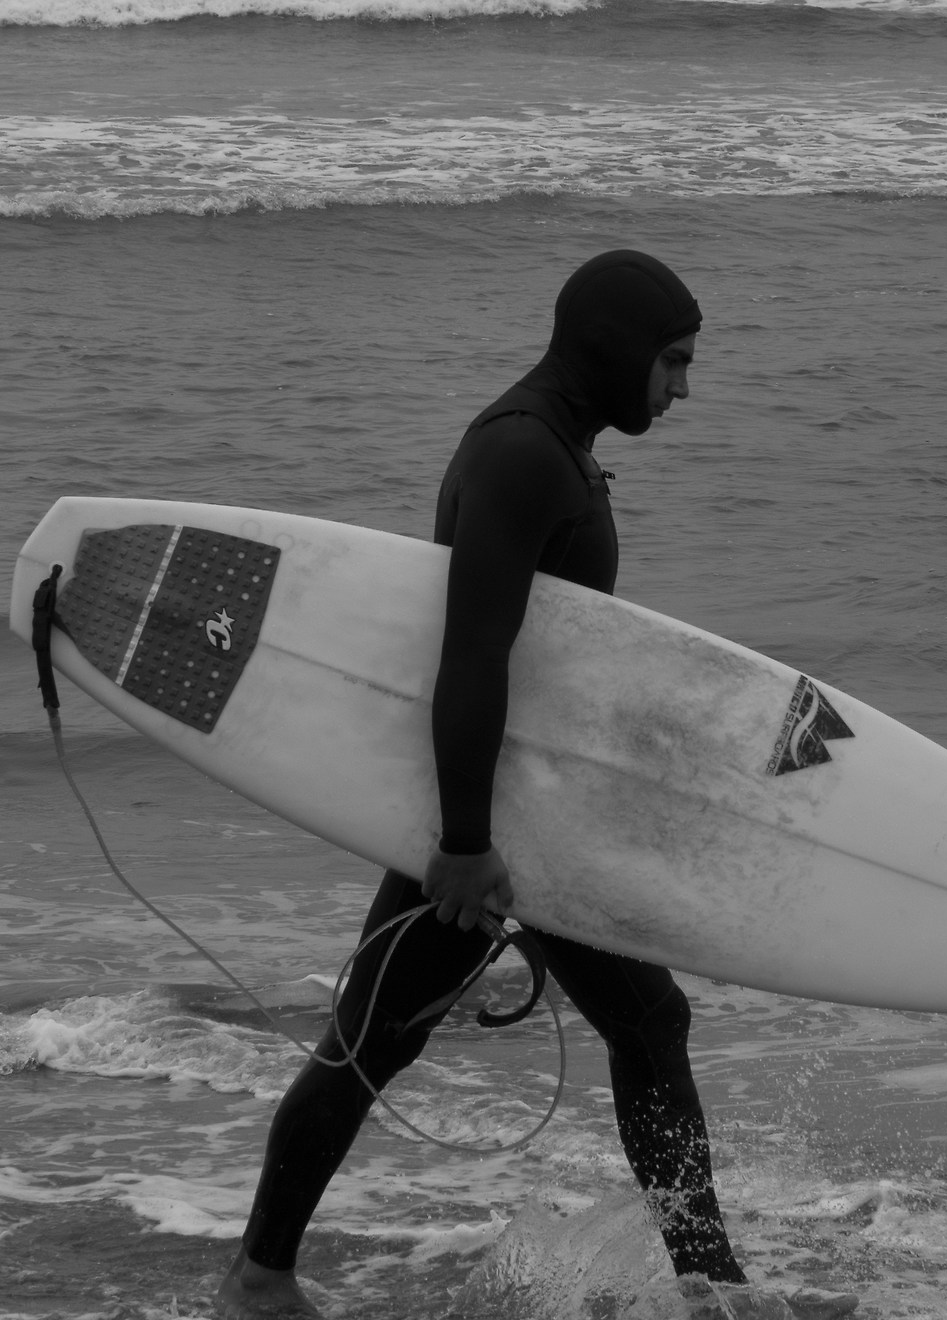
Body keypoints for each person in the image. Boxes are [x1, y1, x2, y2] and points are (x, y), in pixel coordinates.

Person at [217, 251, 799, 1319]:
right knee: (400, 1041)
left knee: (390, 1041)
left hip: (520, 813)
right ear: (618, 350)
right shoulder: (523, 454)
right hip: (497, 828)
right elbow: (472, 654)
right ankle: (258, 1278)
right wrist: (469, 841)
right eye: (671, 362)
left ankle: (714, 1289)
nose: (681, 389)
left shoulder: (556, 449)